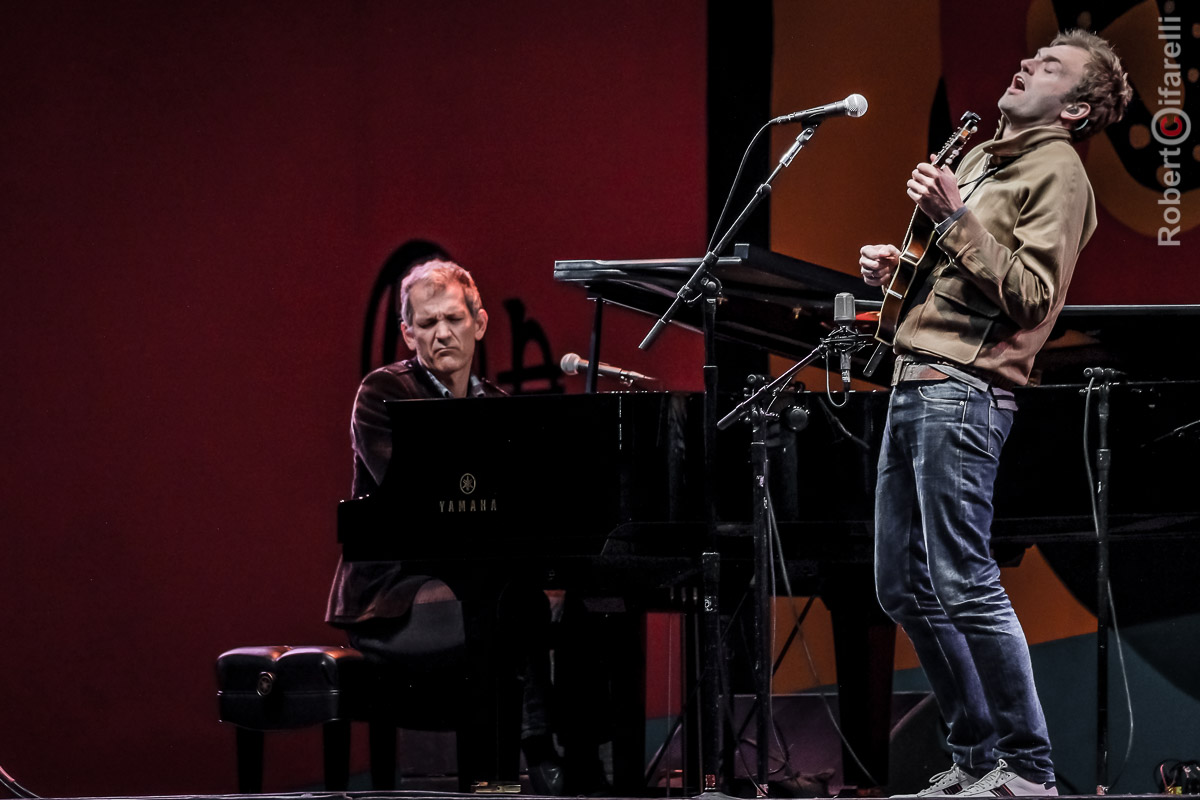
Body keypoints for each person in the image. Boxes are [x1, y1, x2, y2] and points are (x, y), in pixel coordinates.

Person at [858, 29, 1132, 797]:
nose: (1024, 66)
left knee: (962, 579)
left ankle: (1029, 769)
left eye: (1049, 68)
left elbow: (1034, 297)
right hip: (914, 378)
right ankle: (977, 758)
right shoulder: (979, 159)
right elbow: (961, 270)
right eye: (1031, 57)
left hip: (965, 390)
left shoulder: (1061, 174)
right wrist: (902, 265)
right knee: (900, 586)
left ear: (1076, 107)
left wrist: (952, 221)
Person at [325, 258, 564, 792]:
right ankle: (522, 760)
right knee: (508, 602)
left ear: (478, 323)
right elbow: (412, 501)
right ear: (408, 334)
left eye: (453, 319)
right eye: (428, 324)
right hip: (393, 594)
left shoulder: (500, 408)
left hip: (475, 583)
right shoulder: (383, 395)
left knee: (569, 605)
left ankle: (587, 771)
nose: (442, 334)